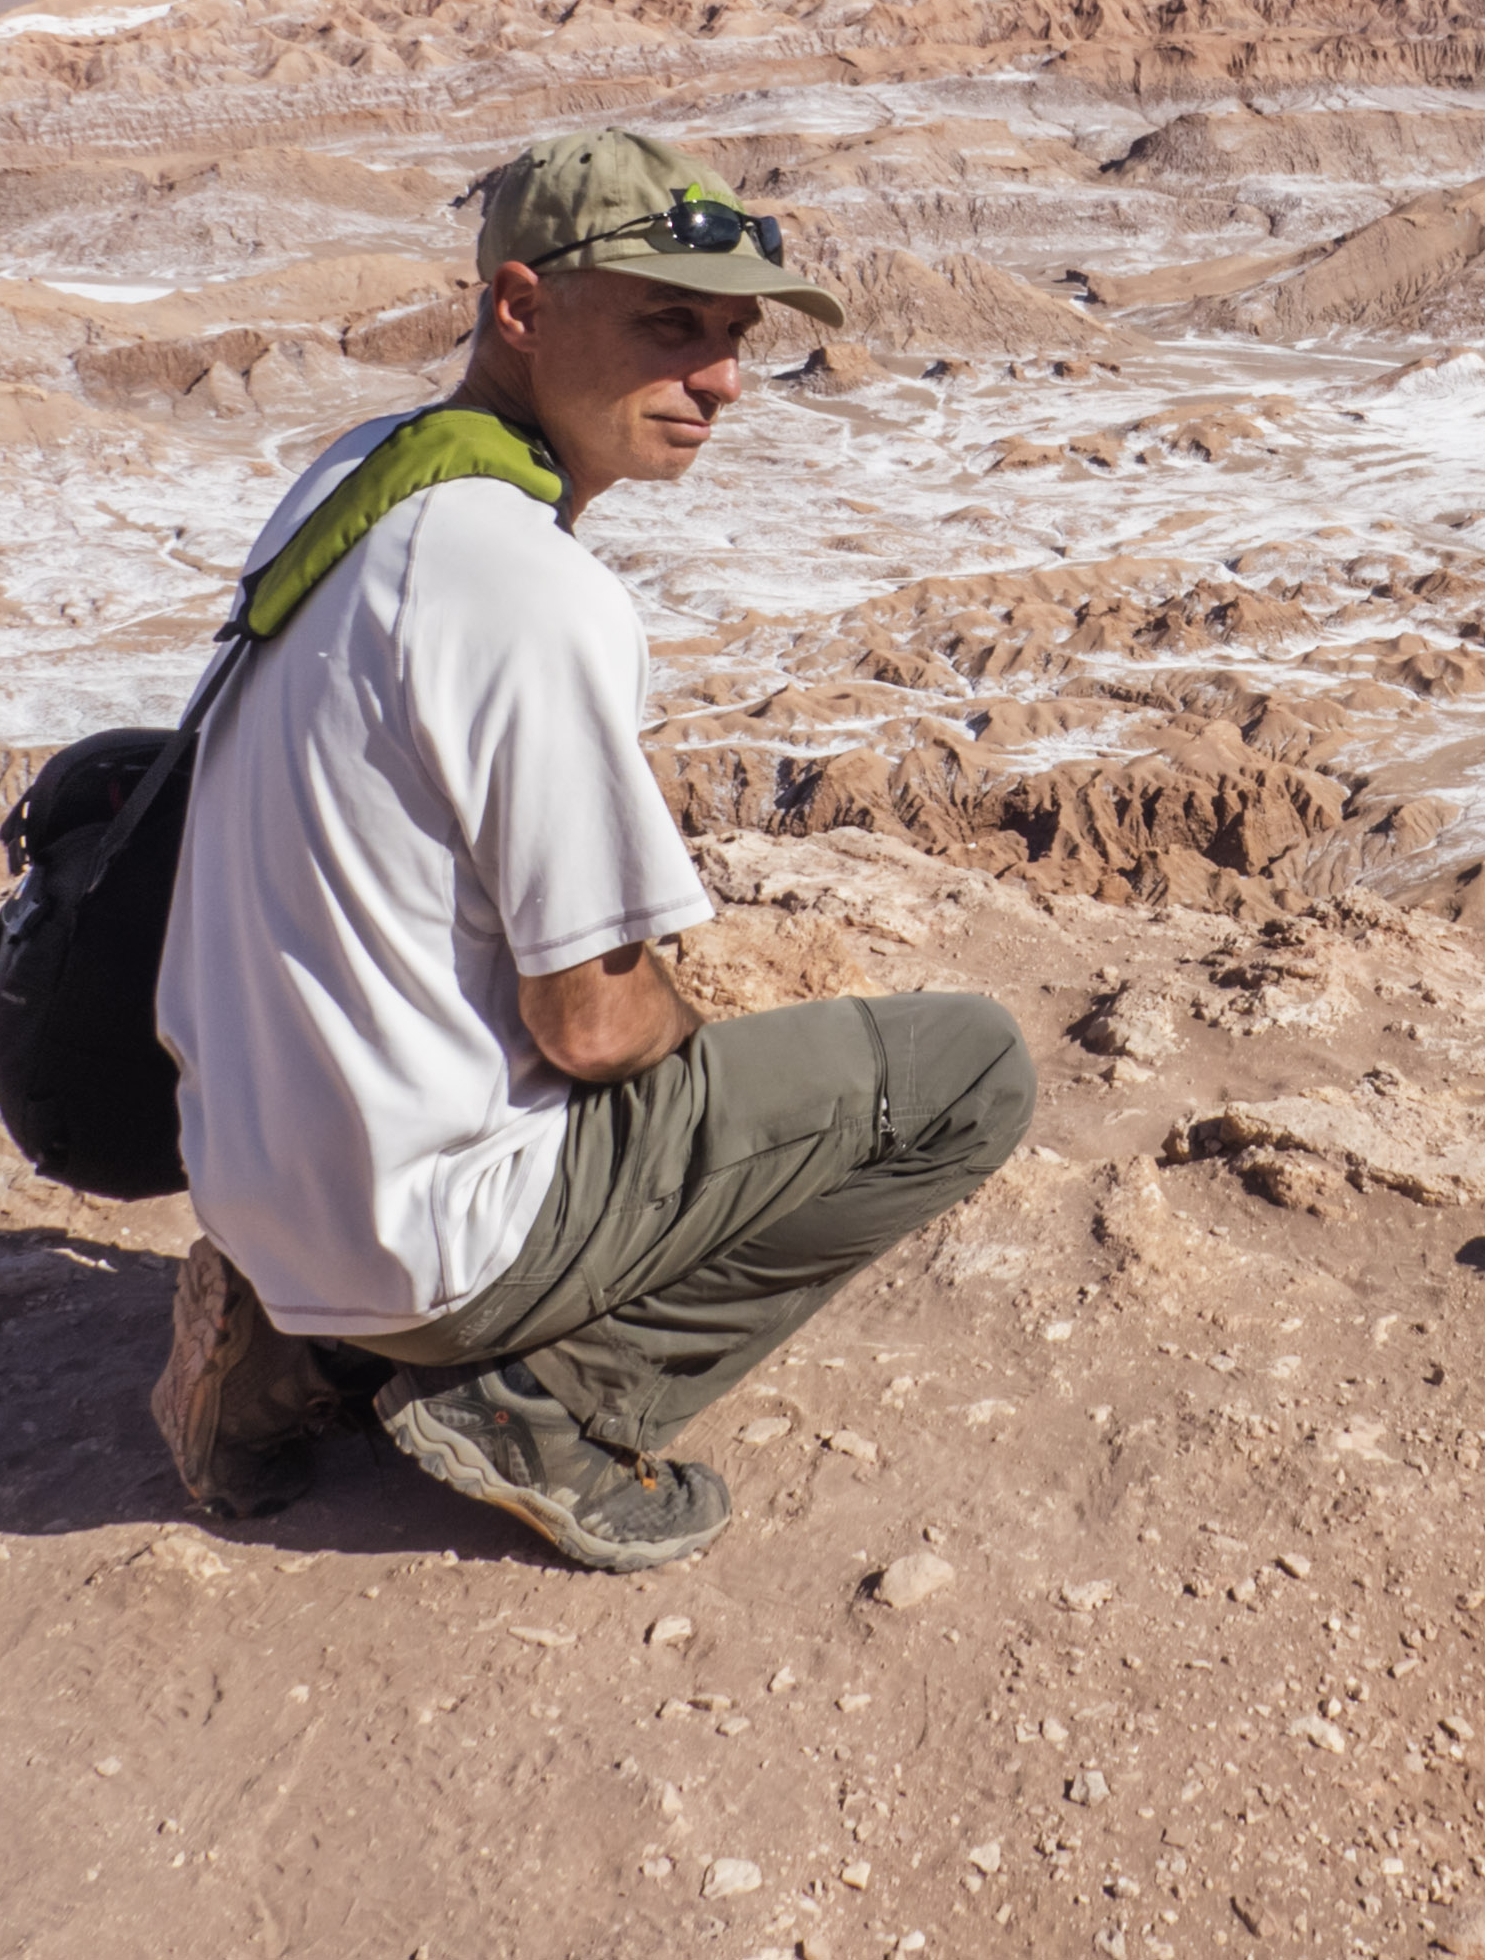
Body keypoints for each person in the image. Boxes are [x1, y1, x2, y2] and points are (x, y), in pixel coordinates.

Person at [145, 128, 1036, 1571]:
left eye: (735, 334)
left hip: (253, 1179)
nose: (723, 378)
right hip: (426, 1229)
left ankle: (294, 1358)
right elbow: (594, 1025)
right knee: (961, 1070)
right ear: (519, 310)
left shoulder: (357, 477)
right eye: (669, 325)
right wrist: (692, 1036)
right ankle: (542, 1406)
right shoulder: (528, 591)